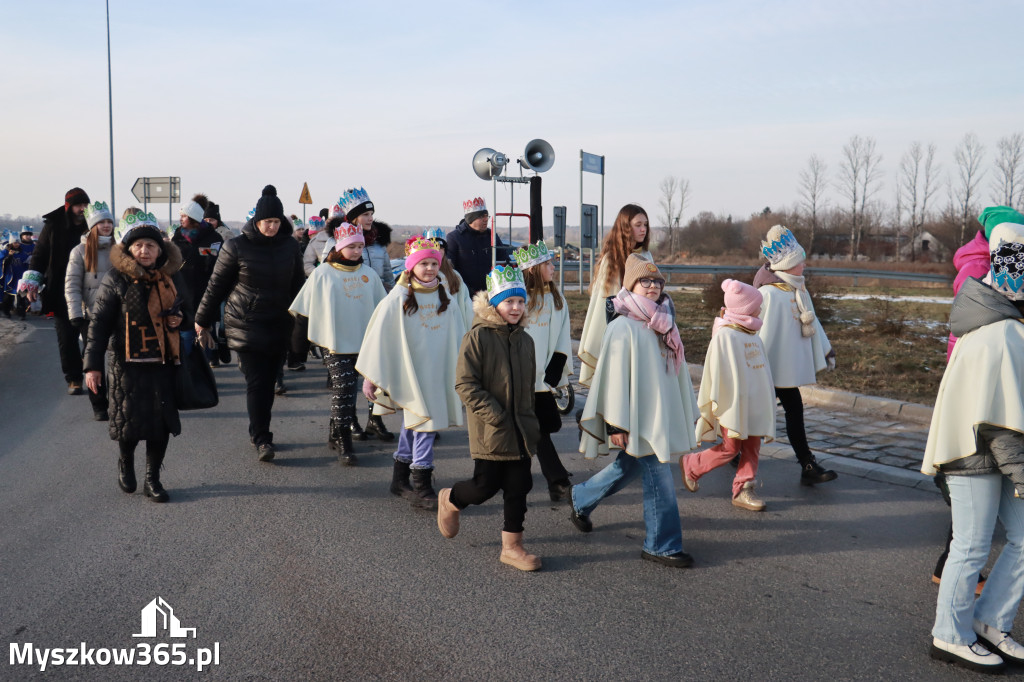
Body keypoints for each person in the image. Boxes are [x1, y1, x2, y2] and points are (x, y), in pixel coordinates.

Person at [923, 220, 1024, 674]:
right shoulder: (998, 330)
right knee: (970, 546)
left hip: (998, 452)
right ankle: (949, 634)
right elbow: (999, 416)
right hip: (974, 454)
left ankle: (989, 622)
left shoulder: (1005, 323)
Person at [571, 256, 699, 568]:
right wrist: (617, 424)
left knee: (628, 467)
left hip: (657, 415)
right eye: (646, 281)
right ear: (631, 284)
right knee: (658, 477)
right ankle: (661, 544)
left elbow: (675, 373)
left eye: (657, 281)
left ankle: (581, 498)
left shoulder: (665, 322)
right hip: (634, 417)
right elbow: (615, 379)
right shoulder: (622, 326)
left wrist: (683, 410)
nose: (653, 286)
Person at [437, 265, 542, 571]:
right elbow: (465, 384)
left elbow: (528, 386)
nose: (516, 308)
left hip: (521, 429)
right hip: (492, 428)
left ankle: (512, 547)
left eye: (520, 302)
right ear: (494, 303)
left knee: (519, 486)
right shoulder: (478, 337)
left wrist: (535, 418)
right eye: (509, 302)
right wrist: (494, 414)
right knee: (485, 487)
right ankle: (452, 498)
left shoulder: (526, 340)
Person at [84, 208, 191, 503]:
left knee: (160, 423)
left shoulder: (170, 278)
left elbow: (186, 309)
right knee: (129, 421)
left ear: (160, 249)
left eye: (151, 245)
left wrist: (177, 318)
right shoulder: (115, 279)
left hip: (163, 360)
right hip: (125, 362)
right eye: (139, 245)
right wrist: (91, 366)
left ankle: (152, 478)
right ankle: (125, 461)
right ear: (129, 248)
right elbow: (99, 326)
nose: (145, 250)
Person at [194, 185, 305, 462]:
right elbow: (216, 286)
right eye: (268, 221)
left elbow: (299, 287)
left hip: (279, 323)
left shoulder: (290, 246)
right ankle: (262, 439)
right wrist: (202, 321)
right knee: (256, 382)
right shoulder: (236, 246)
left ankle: (260, 430)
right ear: (257, 220)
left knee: (268, 382)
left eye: (277, 222)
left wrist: (305, 322)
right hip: (246, 323)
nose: (272, 227)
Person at [357, 236, 465, 509]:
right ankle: (421, 484)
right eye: (424, 263)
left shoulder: (447, 297)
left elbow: (459, 335)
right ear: (411, 267)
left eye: (433, 263)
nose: (429, 268)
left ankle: (400, 479)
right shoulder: (398, 298)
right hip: (410, 374)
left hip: (437, 372)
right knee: (425, 426)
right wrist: (371, 377)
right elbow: (379, 337)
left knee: (415, 424)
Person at [289, 221, 386, 464]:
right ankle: (345, 440)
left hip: (364, 344)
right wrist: (298, 348)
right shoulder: (323, 273)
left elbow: (383, 309)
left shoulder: (369, 274)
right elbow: (304, 310)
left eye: (359, 247)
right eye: (351, 246)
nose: (356, 251)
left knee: (352, 389)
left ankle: (335, 430)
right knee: (344, 388)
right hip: (333, 343)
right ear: (339, 247)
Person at [753, 225, 837, 485]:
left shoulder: (799, 290)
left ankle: (807, 464)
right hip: (765, 369)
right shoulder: (767, 294)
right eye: (799, 261)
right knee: (753, 415)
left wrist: (826, 349)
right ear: (787, 265)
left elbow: (813, 323)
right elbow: (752, 330)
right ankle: (735, 455)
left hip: (785, 370)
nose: (804, 265)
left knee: (794, 410)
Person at [681, 279, 775, 512]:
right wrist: (724, 401)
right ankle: (693, 464)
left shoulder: (753, 334)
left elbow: (761, 372)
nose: (760, 309)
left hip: (753, 404)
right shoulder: (726, 336)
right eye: (757, 305)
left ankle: (744, 488)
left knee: (753, 446)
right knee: (731, 447)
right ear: (745, 308)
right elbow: (718, 373)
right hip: (733, 403)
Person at [514, 239, 574, 502]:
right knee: (535, 429)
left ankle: (550, 480)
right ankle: (556, 480)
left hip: (543, 376)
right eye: (547, 264)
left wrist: (557, 366)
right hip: (521, 376)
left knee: (542, 428)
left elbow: (562, 335)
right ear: (533, 270)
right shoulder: (520, 300)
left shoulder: (556, 299)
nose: (553, 268)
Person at [21, 187, 92, 394]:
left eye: (86, 205)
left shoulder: (93, 224)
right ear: (69, 206)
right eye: (79, 205)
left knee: (92, 336)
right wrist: (33, 282)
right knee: (66, 337)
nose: (83, 209)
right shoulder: (53, 226)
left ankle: (88, 367)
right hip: (60, 289)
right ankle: (73, 378)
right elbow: (40, 254)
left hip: (89, 288)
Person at [577, 204, 652, 387]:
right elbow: (605, 303)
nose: (643, 229)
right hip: (620, 331)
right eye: (638, 225)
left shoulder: (647, 255)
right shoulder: (612, 259)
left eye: (645, 224)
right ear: (625, 227)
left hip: (644, 329)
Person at [65, 201, 116, 420]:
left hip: (118, 314)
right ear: (92, 225)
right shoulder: (80, 251)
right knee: (93, 363)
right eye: (101, 222)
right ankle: (99, 405)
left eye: (109, 222)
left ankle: (119, 400)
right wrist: (75, 313)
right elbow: (72, 285)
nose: (106, 226)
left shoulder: (120, 249)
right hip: (91, 316)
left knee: (119, 361)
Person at [171, 194, 223, 365]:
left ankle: (209, 361)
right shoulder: (178, 237)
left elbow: (219, 265)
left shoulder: (213, 238)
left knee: (205, 332)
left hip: (205, 293)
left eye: (184, 216)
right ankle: (186, 369)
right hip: (182, 293)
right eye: (181, 216)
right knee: (185, 334)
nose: (181, 219)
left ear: (193, 218)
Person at [446, 197, 508, 296]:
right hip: (464, 294)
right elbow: (450, 269)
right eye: (481, 216)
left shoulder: (492, 236)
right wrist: (467, 291)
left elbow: (504, 261)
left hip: (492, 293)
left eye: (486, 216)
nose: (486, 219)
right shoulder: (454, 238)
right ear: (471, 218)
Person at [424, 226, 473, 330]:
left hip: (452, 326)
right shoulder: (421, 276)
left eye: (440, 247)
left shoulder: (454, 276)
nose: (437, 250)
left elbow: (466, 306)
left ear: (445, 251)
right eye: (433, 246)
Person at [1, 230, 33, 320]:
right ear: (11, 242)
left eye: (18, 242)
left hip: (21, 277)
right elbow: (4, 263)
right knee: (9, 296)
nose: (17, 244)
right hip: (10, 278)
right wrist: (9, 256)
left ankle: (21, 314)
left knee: (21, 297)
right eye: (15, 242)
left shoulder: (22, 252)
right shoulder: (5, 252)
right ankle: (6, 312)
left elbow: (26, 261)